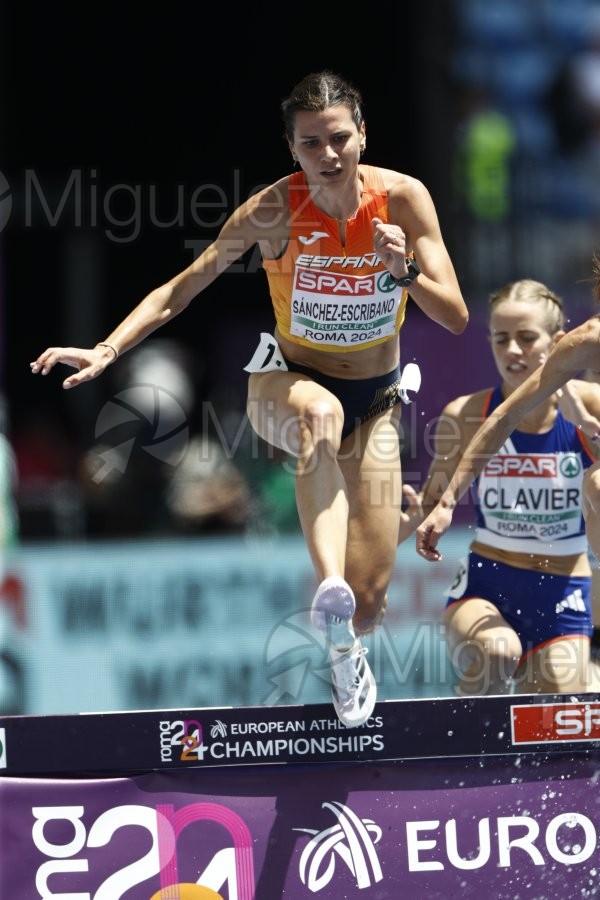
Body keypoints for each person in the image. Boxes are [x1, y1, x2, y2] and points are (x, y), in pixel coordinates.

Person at [31, 70, 468, 727]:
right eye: (312, 143)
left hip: (377, 396)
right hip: (286, 380)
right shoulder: (273, 210)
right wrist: (107, 350)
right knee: (318, 417)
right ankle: (329, 591)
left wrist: (401, 270)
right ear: (291, 147)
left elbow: (457, 315)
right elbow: (181, 288)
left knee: (374, 598)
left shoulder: (403, 201)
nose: (328, 154)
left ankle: (347, 640)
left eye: (340, 139)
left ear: (363, 135)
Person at [415, 267, 600, 695]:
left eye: (527, 338)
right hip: (488, 584)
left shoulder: (590, 403)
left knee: (562, 707)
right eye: (501, 339)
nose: (513, 351)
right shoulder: (466, 415)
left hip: (565, 591)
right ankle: (458, 754)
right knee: (498, 652)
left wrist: (587, 428)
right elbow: (428, 505)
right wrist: (406, 526)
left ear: (557, 345)